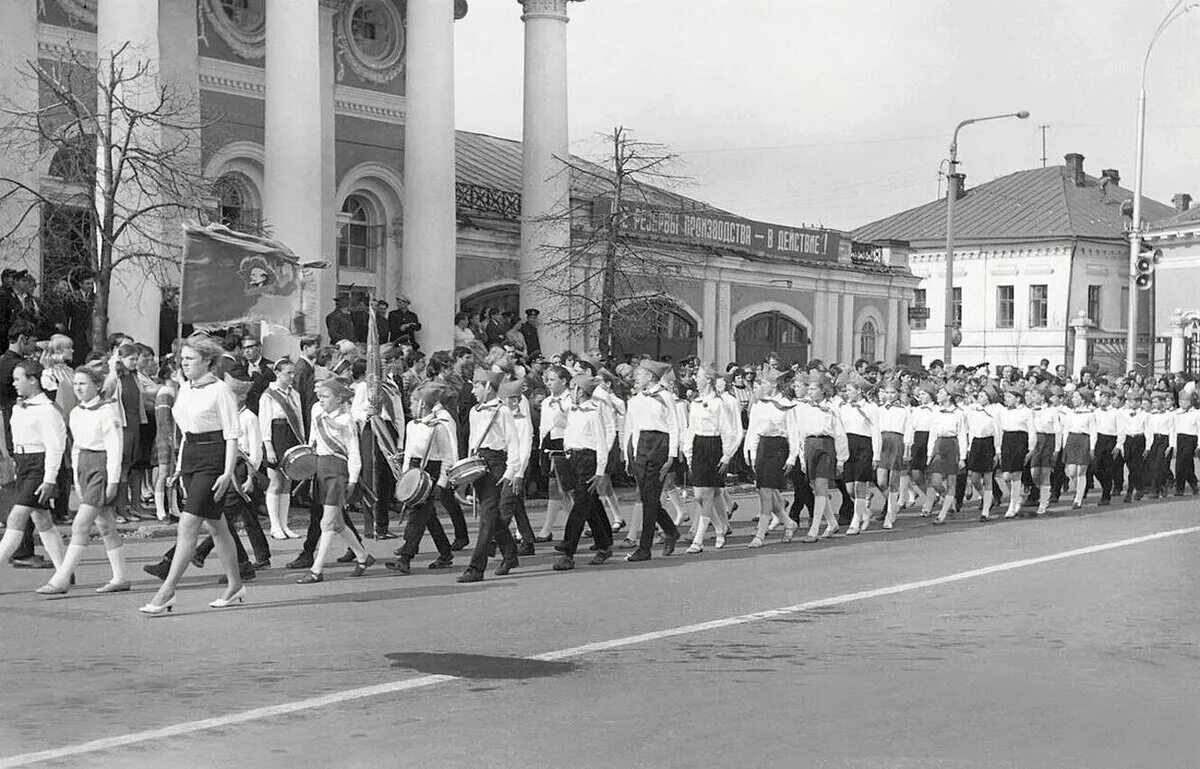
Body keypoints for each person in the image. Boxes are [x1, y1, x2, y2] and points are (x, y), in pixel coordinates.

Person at [138, 335, 247, 614]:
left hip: (214, 459)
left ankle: (167, 590)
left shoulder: (221, 390)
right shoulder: (184, 388)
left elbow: (232, 434)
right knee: (216, 526)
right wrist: (177, 468)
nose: (184, 363)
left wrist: (226, 472)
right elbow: (185, 432)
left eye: (190, 359)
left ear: (208, 361)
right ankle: (235, 585)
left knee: (187, 524)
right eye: (182, 359)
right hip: (190, 459)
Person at [35, 363, 129, 594]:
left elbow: (115, 448)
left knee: (80, 525)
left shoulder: (107, 411)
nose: (78, 388)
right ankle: (121, 577)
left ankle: (61, 578)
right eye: (75, 384)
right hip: (84, 467)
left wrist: (113, 481)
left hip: (101, 467)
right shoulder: (76, 413)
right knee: (106, 526)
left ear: (97, 386)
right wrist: (78, 479)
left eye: (83, 383)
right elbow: (76, 447)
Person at [296, 377, 373, 583]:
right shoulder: (317, 415)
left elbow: (354, 452)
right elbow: (312, 442)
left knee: (326, 522)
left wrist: (353, 479)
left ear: (339, 399)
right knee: (338, 524)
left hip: (338, 472)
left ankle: (316, 570)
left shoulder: (346, 420)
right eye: (319, 396)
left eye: (326, 396)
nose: (321, 399)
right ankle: (363, 557)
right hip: (322, 470)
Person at [457, 370, 525, 583]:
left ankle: (476, 567)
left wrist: (510, 472)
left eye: (477, 386)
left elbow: (513, 442)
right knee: (493, 516)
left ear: (488, 386)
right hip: (478, 462)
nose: (474, 391)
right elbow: (471, 443)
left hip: (496, 463)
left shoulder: (502, 411)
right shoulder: (474, 411)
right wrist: (467, 471)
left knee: (487, 516)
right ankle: (510, 554)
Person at [0, 360, 68, 574]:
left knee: (16, 517)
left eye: (18, 379)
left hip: (38, 465)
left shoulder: (47, 410)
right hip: (22, 463)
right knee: (41, 519)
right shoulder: (20, 407)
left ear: (33, 380)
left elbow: (55, 447)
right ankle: (64, 571)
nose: (14, 384)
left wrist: (49, 479)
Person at [385, 382, 458, 574]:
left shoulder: (438, 427)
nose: (409, 405)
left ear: (423, 404)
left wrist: (441, 483)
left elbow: (447, 457)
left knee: (418, 514)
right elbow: (409, 453)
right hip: (415, 470)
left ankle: (406, 556)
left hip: (431, 471)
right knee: (428, 516)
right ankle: (445, 553)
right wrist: (405, 477)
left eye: (412, 401)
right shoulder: (412, 425)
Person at [551, 374, 615, 570]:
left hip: (588, 459)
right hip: (572, 458)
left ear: (581, 391)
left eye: (572, 388)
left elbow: (601, 444)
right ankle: (604, 545)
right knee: (590, 505)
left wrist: (600, 470)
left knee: (579, 507)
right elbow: (558, 423)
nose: (570, 392)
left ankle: (568, 552)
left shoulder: (593, 413)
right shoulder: (573, 410)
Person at [623, 359, 681, 561]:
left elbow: (674, 425)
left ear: (650, 376)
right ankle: (670, 530)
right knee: (648, 498)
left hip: (660, 445)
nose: (635, 377)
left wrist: (672, 454)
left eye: (639, 374)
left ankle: (644, 548)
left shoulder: (666, 396)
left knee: (649, 499)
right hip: (641, 447)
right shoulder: (636, 399)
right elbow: (630, 428)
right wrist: (627, 456)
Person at [682, 364, 736, 553]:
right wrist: (688, 452)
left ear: (709, 380)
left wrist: (726, 455)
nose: (695, 379)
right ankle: (720, 528)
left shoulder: (718, 403)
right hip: (698, 446)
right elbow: (691, 429)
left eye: (698, 376)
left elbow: (727, 430)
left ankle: (698, 540)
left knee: (707, 494)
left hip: (713, 446)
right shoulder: (696, 402)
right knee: (699, 496)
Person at [793, 372, 848, 543]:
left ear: (824, 390)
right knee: (816, 487)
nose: (810, 391)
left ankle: (814, 528)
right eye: (808, 388)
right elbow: (800, 433)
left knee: (821, 485)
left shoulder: (832, 409)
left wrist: (841, 459)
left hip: (826, 446)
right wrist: (802, 458)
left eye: (814, 388)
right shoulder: (804, 409)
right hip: (810, 447)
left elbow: (839, 434)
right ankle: (832, 523)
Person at [259, 358, 304, 539]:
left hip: (292, 437)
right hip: (276, 437)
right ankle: (275, 525)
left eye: (293, 373)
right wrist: (268, 447)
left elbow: (299, 419)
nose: (292, 376)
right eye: (288, 373)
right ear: (277, 373)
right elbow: (264, 424)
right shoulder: (268, 395)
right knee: (275, 482)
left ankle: (285, 525)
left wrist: (302, 443)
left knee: (288, 483)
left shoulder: (295, 394)